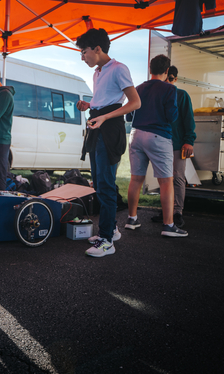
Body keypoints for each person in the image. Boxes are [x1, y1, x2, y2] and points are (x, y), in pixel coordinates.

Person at [75, 28, 141, 258]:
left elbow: (135, 102)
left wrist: (104, 116)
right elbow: (103, 99)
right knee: (100, 183)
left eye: (84, 52)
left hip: (110, 129)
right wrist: (90, 105)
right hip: (97, 125)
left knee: (105, 183)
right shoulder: (97, 72)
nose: (82, 57)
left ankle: (106, 241)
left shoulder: (119, 68)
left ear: (97, 49)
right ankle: (111, 230)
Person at [126, 55, 187, 238]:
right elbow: (172, 116)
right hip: (158, 136)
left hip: (136, 135)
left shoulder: (139, 88)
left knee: (136, 179)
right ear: (167, 71)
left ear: (150, 68)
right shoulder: (170, 89)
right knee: (166, 181)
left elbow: (129, 117)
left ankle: (132, 219)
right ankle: (168, 225)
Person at [151, 65, 196, 228]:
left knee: (177, 177)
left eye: (171, 78)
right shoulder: (158, 94)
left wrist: (189, 141)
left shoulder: (182, 95)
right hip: (160, 143)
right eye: (166, 78)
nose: (168, 81)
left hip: (178, 144)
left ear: (175, 79)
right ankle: (165, 212)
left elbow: (188, 120)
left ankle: (177, 212)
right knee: (163, 179)